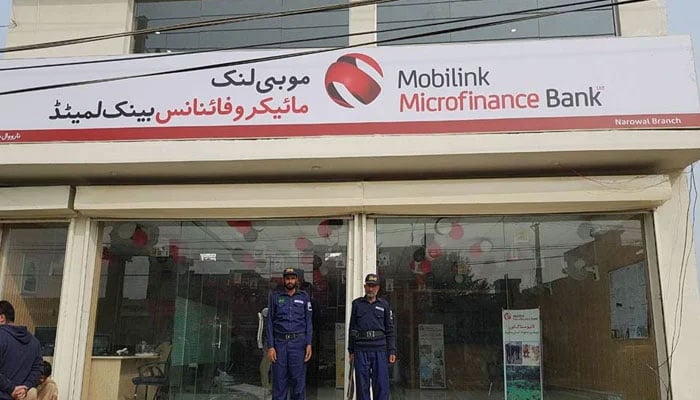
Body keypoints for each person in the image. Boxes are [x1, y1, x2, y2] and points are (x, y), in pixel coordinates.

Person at [265, 267, 313, 400]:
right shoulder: (275, 297)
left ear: (296, 280)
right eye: (287, 278)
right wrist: (270, 346)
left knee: (298, 384)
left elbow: (309, 322)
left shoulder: (304, 297)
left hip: (298, 345)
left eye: (292, 278)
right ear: (283, 280)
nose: (290, 281)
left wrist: (309, 343)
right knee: (279, 384)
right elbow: (269, 323)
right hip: (280, 345)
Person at [348, 274, 396, 400]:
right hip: (361, 349)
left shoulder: (384, 305)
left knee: (381, 385)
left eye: (373, 286)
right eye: (368, 286)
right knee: (362, 386)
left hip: (379, 350)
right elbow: (352, 328)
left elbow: (390, 329)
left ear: (378, 288)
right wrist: (351, 350)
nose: (371, 289)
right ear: (364, 287)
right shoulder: (357, 304)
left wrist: (391, 350)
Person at [0, 300, 42, 400]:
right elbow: (38, 370)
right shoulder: (34, 342)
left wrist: (12, 389)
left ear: (1, 318)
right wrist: (25, 387)